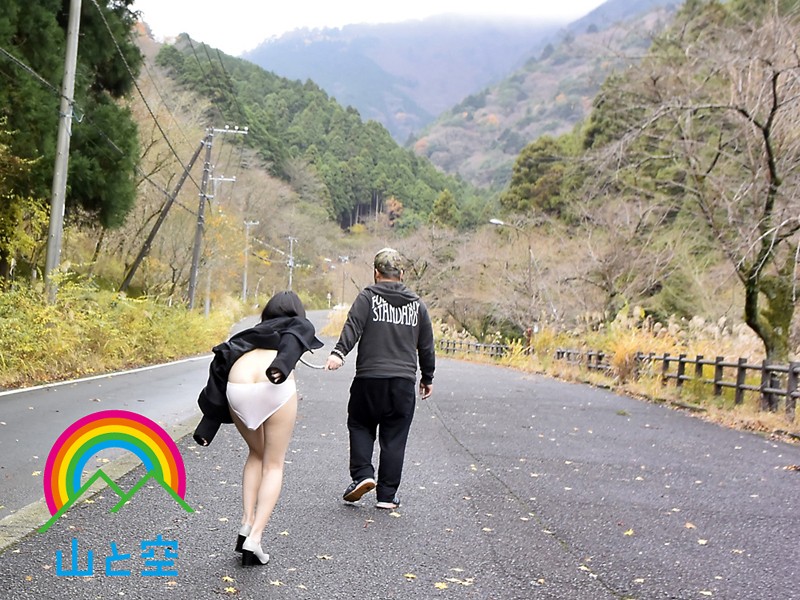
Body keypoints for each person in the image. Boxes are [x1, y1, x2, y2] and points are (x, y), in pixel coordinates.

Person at [195, 291, 323, 566]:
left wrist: (209, 422)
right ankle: (255, 537)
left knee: (256, 453)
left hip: (238, 382)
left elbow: (223, 362)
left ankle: (246, 522)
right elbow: (296, 338)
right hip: (273, 380)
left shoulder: (252, 334)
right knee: (274, 464)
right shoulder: (296, 326)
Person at [326, 248, 435, 510]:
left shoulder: (368, 297)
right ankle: (387, 495)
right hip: (403, 382)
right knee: (394, 437)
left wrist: (338, 353)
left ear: (376, 273)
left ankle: (363, 474)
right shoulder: (417, 305)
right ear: (402, 273)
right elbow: (426, 345)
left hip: (369, 378)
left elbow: (353, 325)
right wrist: (427, 377)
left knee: (360, 424)